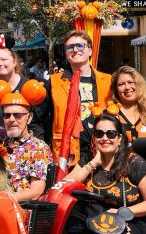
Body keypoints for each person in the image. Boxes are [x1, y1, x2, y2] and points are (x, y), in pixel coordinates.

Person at [38, 31, 112, 171]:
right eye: (70, 47)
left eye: (80, 46)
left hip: (102, 150)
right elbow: (39, 118)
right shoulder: (53, 82)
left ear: (90, 50)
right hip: (68, 155)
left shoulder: (108, 81)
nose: (75, 50)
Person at [79, 65, 146, 163]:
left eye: (130, 82)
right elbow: (96, 150)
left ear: (138, 85)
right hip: (119, 174)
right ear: (116, 90)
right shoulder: (108, 116)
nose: (127, 87)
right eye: (121, 84)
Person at [0, 43, 47, 138]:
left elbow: (39, 122)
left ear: (14, 62)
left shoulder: (30, 87)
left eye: (3, 59)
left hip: (25, 147)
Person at [0, 93, 51, 203]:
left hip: (20, 208)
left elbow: (36, 192)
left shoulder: (38, 148)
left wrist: (3, 200)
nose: (11, 119)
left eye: (17, 115)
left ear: (29, 117)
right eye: (7, 115)